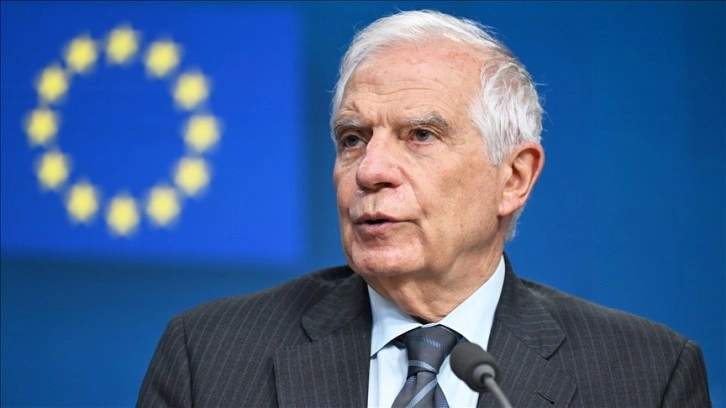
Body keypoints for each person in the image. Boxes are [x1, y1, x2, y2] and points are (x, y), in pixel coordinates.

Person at [136, 9, 711, 407]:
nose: (370, 170)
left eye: (420, 135)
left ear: (513, 178)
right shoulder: (209, 356)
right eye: (353, 138)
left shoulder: (647, 376)